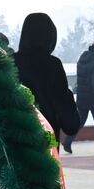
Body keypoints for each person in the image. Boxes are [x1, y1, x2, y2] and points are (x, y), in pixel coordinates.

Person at [15, 13, 80, 146]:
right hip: (46, 142)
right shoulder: (53, 65)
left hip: (15, 143)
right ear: (50, 37)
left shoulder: (10, 62)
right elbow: (67, 116)